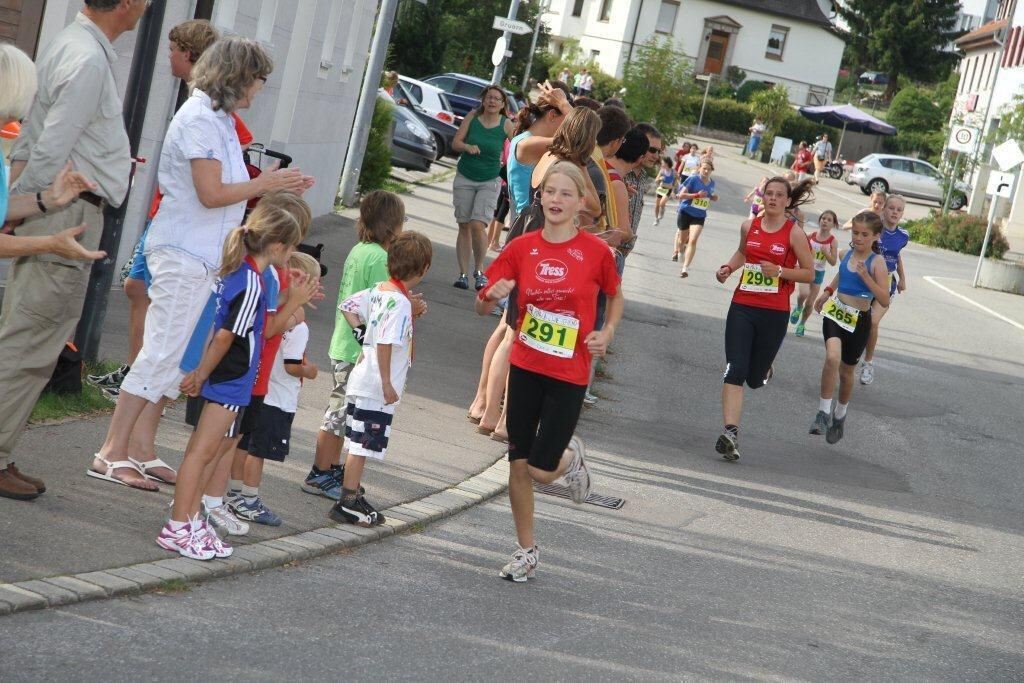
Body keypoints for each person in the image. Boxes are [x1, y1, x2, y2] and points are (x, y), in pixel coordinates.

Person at [89, 36, 307, 491]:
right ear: (236, 77)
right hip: (183, 251)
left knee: (174, 358)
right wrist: (265, 183)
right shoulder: (199, 120)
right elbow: (210, 195)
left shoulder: (219, 120)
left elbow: (224, 188)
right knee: (161, 352)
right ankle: (111, 451)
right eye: (257, 80)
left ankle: (138, 449)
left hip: (202, 256)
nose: (258, 90)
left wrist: (274, 186)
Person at [0, 0, 149, 502]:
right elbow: (49, 147)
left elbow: (51, 137)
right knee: (32, 341)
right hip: (65, 213)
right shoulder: (86, 56)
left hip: (60, 206)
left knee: (30, 336)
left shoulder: (75, 42)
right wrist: (18, 210)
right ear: (125, 3)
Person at [476, 161, 623, 582]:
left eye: (565, 194)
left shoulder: (596, 253)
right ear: (540, 197)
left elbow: (615, 297)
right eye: (550, 192)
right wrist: (492, 294)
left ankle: (571, 459)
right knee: (518, 462)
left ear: (580, 204)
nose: (555, 200)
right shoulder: (521, 248)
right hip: (525, 366)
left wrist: (606, 332)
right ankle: (526, 551)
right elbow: (483, 303)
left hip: (569, 374)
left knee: (542, 468)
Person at [159, 192, 307, 560]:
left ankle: (191, 522)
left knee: (204, 454)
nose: (291, 256)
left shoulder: (238, 272)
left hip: (227, 379)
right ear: (275, 245)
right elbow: (226, 335)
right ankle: (179, 526)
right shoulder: (252, 283)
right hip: (230, 380)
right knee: (201, 454)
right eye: (290, 249)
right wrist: (201, 373)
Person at [89, 19, 225, 397]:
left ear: (190, 54)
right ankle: (141, 370)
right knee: (136, 287)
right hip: (166, 217)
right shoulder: (194, 104)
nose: (169, 56)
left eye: (173, 49)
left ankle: (145, 375)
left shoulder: (206, 112)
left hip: (176, 224)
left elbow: (216, 178)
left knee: (149, 293)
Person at [306, 190, 407, 499]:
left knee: (341, 409)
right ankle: (321, 472)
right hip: (356, 349)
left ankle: (330, 467)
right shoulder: (378, 257)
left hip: (346, 342)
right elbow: (382, 301)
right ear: (392, 225)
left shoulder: (360, 249)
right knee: (338, 412)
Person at [329, 232, 433, 527]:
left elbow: (348, 306)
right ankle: (347, 500)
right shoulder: (399, 303)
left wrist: (363, 334)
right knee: (362, 443)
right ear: (424, 268)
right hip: (376, 384)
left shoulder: (379, 290)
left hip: (364, 379)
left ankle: (351, 494)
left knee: (359, 440)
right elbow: (386, 342)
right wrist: (387, 381)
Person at [713, 177, 816, 461]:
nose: (772, 198)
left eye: (778, 195)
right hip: (742, 305)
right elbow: (743, 253)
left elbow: (809, 273)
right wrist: (727, 268)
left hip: (774, 311)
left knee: (755, 378)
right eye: (768, 194)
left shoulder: (794, 234)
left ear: (787, 201)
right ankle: (730, 433)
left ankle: (765, 368)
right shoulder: (749, 226)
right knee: (734, 369)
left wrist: (781, 272)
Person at [229, 251, 321, 526]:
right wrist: (310, 370)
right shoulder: (298, 324)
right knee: (258, 453)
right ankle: (249, 498)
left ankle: (233, 494)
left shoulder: (276, 311)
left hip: (259, 390)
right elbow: (293, 364)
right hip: (277, 398)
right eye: (313, 282)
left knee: (242, 446)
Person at [810, 211, 890, 444]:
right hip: (836, 314)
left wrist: (867, 279)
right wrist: (826, 292)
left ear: (876, 236)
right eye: (855, 233)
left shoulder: (877, 263)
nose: (859, 238)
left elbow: (884, 299)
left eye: (865, 234)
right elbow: (840, 274)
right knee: (832, 358)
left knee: (846, 374)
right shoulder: (846, 254)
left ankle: (840, 414)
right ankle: (823, 412)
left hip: (859, 321)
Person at [451, 85, 514, 291]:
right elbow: (456, 142)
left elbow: (518, 148)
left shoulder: (506, 125)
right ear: (483, 100)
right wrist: (467, 146)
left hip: (490, 179)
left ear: (503, 104)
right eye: (489, 98)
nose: (492, 101)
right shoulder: (472, 117)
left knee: (477, 224)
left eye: (497, 99)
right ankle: (462, 274)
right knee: (463, 224)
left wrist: (512, 167)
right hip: (465, 176)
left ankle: (479, 271)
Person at [859, 195, 908, 385]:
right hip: (865, 280)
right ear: (884, 209)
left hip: (886, 284)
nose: (895, 212)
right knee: (858, 320)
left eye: (899, 210)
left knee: (872, 321)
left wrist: (902, 278)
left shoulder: (903, 236)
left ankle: (868, 363)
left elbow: (897, 257)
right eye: (891, 208)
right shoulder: (873, 229)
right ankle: (852, 354)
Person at [791, 210, 838, 336]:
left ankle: (802, 324)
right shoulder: (811, 236)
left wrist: (826, 253)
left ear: (833, 224)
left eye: (829, 220)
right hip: (806, 269)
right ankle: (798, 307)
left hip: (819, 273)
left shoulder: (832, 241)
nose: (825, 221)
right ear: (819, 220)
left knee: (810, 303)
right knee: (803, 294)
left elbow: (833, 262)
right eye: (823, 218)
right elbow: (800, 250)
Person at [674, 160, 718, 274]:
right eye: (704, 168)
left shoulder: (712, 183)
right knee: (682, 240)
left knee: (693, 240)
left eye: (709, 169)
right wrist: (696, 195)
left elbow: (708, 196)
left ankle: (685, 268)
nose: (706, 171)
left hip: (699, 215)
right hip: (686, 212)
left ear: (711, 171)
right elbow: (681, 195)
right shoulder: (693, 179)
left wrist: (713, 197)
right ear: (699, 168)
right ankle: (680, 251)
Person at [653, 156, 675, 226]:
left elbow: (677, 180)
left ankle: (662, 211)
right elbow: (656, 180)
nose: (662, 164)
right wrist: (660, 178)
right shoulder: (662, 171)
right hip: (661, 188)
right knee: (657, 205)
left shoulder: (673, 171)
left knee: (662, 203)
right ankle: (656, 219)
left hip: (668, 190)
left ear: (667, 163)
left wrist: (674, 190)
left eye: (663, 163)